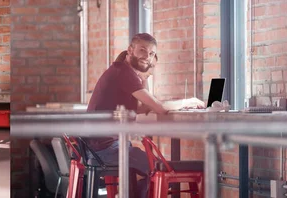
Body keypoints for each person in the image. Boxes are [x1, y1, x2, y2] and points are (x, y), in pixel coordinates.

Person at [86, 33, 205, 197]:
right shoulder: (124, 73)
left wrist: (144, 77)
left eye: (151, 53)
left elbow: (143, 107)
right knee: (157, 170)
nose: (147, 57)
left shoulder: (122, 71)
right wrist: (188, 101)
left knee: (154, 168)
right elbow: (160, 108)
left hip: (99, 147)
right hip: (104, 150)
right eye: (142, 50)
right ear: (130, 50)